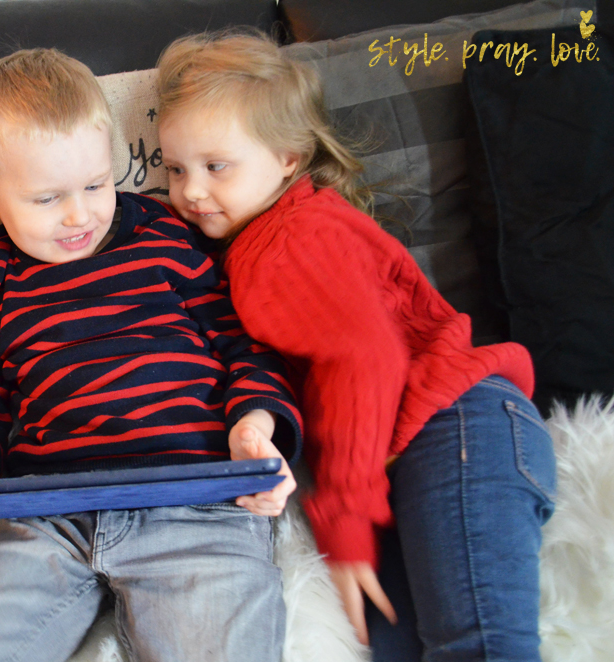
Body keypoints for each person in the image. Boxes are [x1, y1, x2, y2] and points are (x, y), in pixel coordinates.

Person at [155, 30, 558, 662]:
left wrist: (343, 516)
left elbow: (363, 359)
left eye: (216, 166)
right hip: (401, 457)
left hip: (457, 421)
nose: (191, 192)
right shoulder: (253, 243)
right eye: (175, 170)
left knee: (480, 643)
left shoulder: (291, 240)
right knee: (388, 638)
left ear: (288, 158)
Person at [0, 48, 303, 662]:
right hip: (48, 513)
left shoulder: (165, 236)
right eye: (46, 199)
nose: (79, 214)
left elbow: (243, 343)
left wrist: (255, 423)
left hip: (195, 500)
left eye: (95, 184)